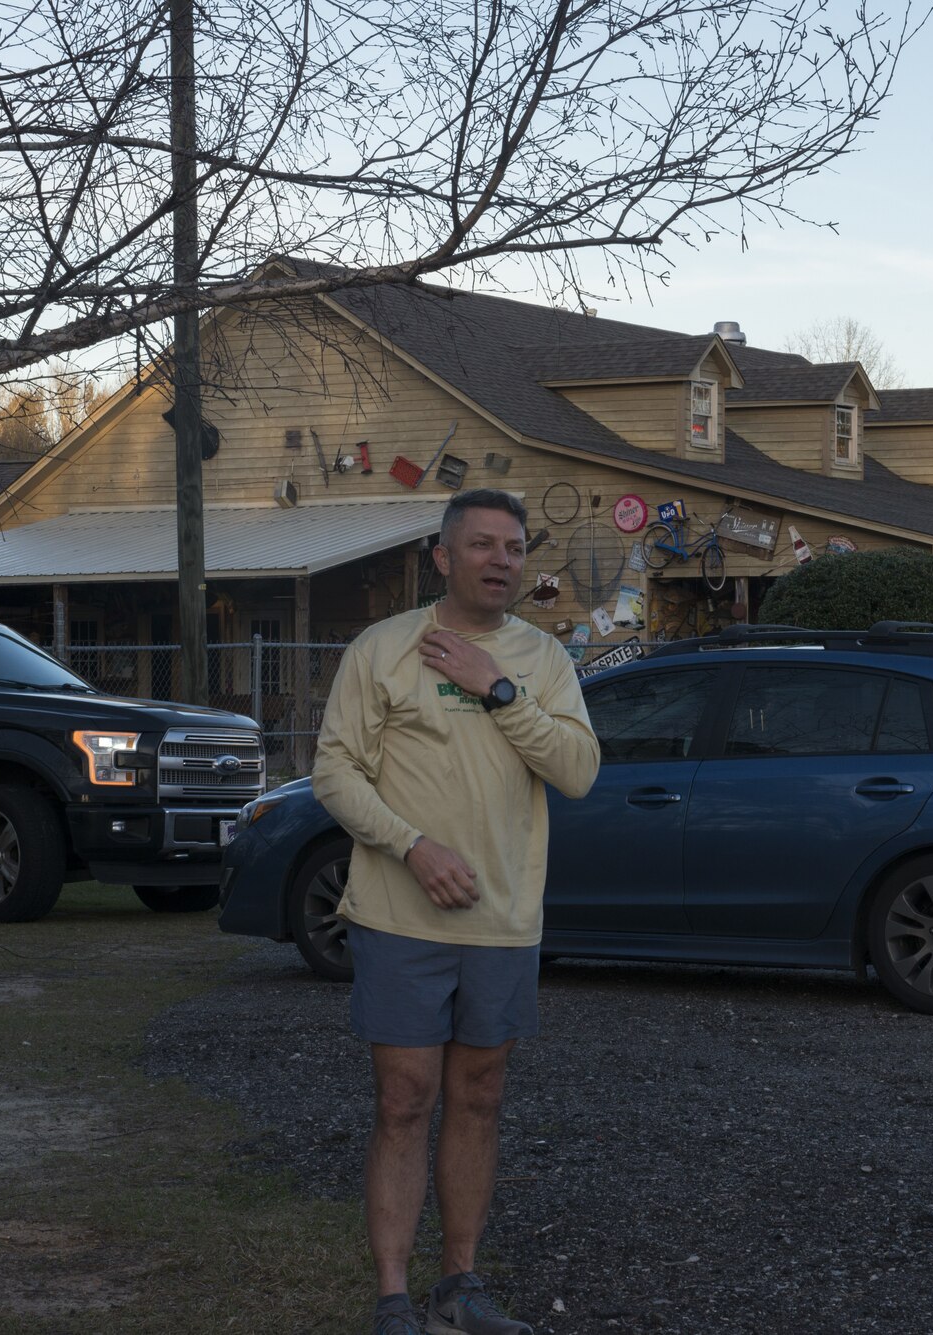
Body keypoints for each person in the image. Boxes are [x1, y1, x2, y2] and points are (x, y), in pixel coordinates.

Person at [312, 488, 600, 1335]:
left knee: (479, 1095)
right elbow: (336, 772)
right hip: (402, 914)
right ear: (443, 556)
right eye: (482, 545)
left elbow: (580, 771)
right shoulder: (384, 648)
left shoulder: (542, 661)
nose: (502, 560)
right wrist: (413, 846)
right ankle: (395, 1295)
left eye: (513, 547)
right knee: (404, 1097)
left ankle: (460, 1287)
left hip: (504, 918)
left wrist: (499, 690)